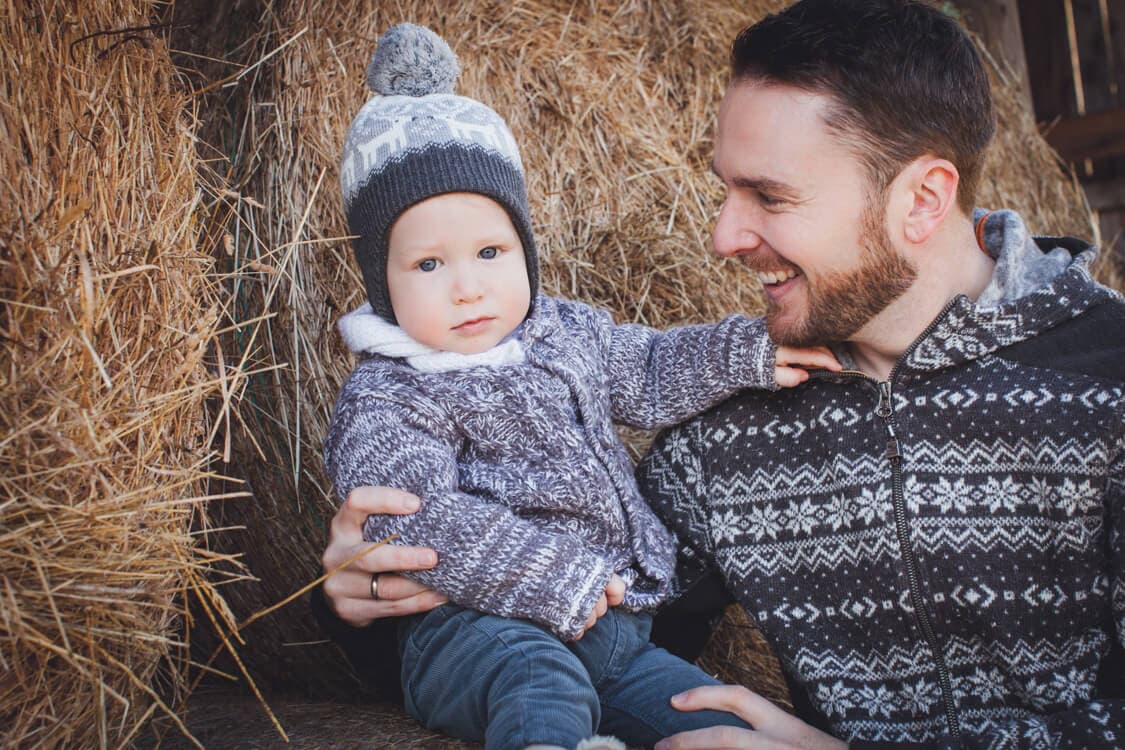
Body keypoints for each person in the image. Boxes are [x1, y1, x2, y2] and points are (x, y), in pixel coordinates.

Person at [319, 1, 1125, 748]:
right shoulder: (721, 439)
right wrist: (373, 607)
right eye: (724, 191)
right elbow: (584, 646)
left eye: (769, 197)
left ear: (922, 198)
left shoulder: (1107, 385)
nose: (721, 236)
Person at [323, 23, 840, 750]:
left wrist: (747, 350)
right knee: (539, 686)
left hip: (615, 631)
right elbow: (411, 516)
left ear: (525, 251)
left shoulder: (565, 333)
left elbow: (652, 370)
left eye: (490, 251)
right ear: (381, 284)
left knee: (705, 713)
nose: (467, 287)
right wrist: (547, 575)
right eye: (428, 266)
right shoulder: (388, 395)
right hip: (479, 635)